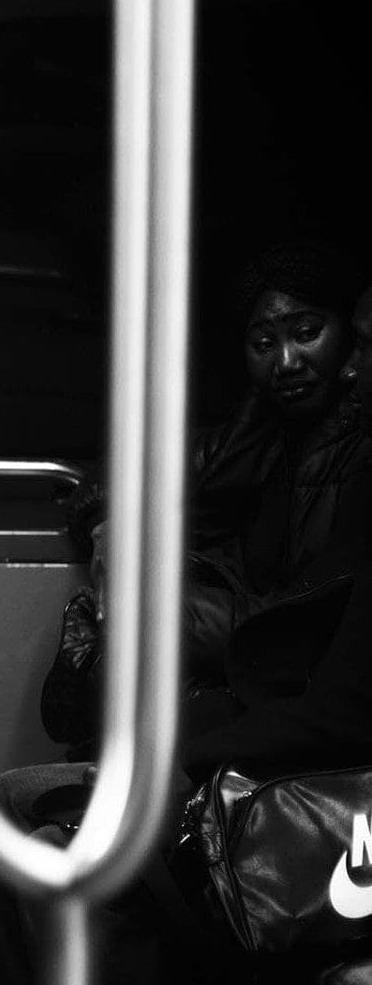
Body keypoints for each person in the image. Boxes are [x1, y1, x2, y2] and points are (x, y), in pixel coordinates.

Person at [0, 262, 372, 985]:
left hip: (315, 774)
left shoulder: (349, 472)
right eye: (265, 340)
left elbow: (339, 708)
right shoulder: (276, 459)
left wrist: (187, 756)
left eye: (326, 339)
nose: (300, 364)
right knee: (18, 818)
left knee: (74, 860)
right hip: (270, 746)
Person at [42, 239, 372, 756]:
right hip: (244, 679)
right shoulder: (259, 428)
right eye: (264, 343)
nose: (286, 362)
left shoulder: (362, 446)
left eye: (307, 334)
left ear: (350, 341)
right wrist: (110, 521)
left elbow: (316, 616)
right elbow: (117, 474)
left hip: (304, 687)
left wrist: (177, 615)